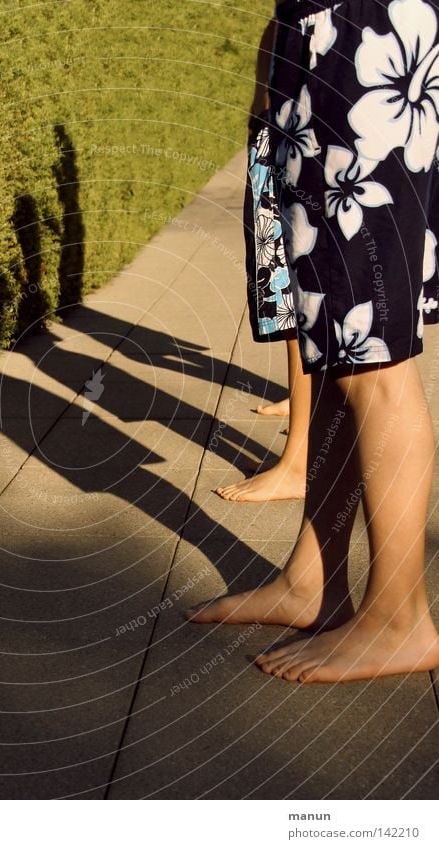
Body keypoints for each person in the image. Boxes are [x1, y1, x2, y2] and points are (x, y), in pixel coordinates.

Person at [188, 0, 439, 683]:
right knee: (335, 345)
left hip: (360, 41)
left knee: (375, 357)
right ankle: (313, 580)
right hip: (331, 39)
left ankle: (400, 616)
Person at [216, 17, 311, 503]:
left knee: (298, 296)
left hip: (297, 134)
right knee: (286, 294)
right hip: (278, 130)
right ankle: (304, 442)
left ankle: (301, 461)